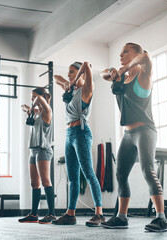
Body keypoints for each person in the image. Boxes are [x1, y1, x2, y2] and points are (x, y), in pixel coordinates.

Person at [100, 43, 167, 232]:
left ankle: (161, 219)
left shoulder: (143, 75)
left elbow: (146, 57)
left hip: (145, 131)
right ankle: (122, 217)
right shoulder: (123, 79)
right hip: (128, 134)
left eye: (125, 51)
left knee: (148, 170)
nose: (121, 54)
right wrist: (116, 72)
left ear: (136, 53)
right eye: (120, 52)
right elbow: (103, 74)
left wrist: (126, 68)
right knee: (121, 174)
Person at [52, 62, 105, 227]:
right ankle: (70, 214)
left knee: (88, 173)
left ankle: (99, 214)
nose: (68, 75)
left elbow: (87, 66)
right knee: (72, 178)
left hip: (81, 133)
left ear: (80, 75)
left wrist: (76, 80)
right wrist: (69, 83)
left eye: (72, 72)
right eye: (68, 72)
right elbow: (56, 77)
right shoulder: (70, 91)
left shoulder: (86, 89)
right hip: (69, 135)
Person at [18, 87, 56, 224]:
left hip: (43, 150)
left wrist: (35, 102)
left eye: (33, 96)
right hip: (33, 150)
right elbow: (23, 106)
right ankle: (34, 214)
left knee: (46, 181)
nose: (32, 99)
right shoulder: (36, 113)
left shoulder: (47, 111)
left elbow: (40, 99)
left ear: (41, 96)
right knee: (34, 183)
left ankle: (51, 214)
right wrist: (30, 109)